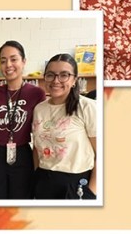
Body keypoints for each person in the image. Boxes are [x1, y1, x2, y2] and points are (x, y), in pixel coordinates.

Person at [0, 40, 46, 199]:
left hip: (22, 152)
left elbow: (41, 128)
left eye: (14, 59)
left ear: (24, 61)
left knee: (21, 197)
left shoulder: (36, 93)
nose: (8, 65)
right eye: (3, 61)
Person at [32, 54, 97, 199]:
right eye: (50, 75)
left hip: (76, 182)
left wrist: (91, 192)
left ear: (74, 80)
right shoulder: (39, 109)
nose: (56, 81)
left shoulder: (87, 107)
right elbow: (37, 147)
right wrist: (37, 175)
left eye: (64, 75)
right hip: (44, 180)